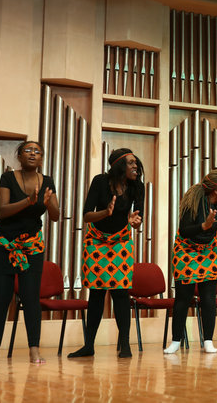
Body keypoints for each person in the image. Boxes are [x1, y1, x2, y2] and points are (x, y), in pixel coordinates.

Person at [0, 140, 59, 365]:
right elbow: (2, 210)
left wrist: (47, 203)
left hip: (31, 247)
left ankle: (34, 350)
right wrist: (28, 201)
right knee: (1, 298)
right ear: (20, 156)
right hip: (4, 245)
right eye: (28, 150)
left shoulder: (48, 181)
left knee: (31, 298)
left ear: (41, 158)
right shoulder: (7, 177)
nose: (33, 154)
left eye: (37, 151)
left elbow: (55, 215)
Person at [68, 148, 144, 359]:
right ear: (119, 165)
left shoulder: (137, 186)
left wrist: (136, 222)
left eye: (136, 163)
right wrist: (106, 212)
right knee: (97, 293)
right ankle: (89, 345)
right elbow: (86, 216)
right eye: (131, 163)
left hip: (121, 243)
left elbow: (138, 217)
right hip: (97, 242)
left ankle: (125, 344)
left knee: (121, 293)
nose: (135, 166)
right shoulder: (100, 181)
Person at [164, 169, 217, 354]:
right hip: (186, 250)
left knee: (209, 297)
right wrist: (204, 226)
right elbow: (184, 230)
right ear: (216, 191)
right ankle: (176, 341)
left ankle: (208, 341)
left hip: (209, 250)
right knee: (183, 298)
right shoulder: (194, 202)